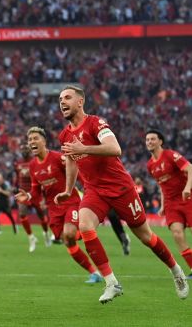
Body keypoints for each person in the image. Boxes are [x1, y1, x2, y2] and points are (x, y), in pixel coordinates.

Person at [55, 85, 188, 303]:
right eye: (60, 99)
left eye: (67, 97)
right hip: (94, 190)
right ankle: (111, 282)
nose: (62, 102)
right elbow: (71, 159)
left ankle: (176, 271)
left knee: (146, 237)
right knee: (85, 226)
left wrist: (84, 149)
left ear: (80, 102)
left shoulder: (96, 123)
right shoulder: (65, 134)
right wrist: (68, 190)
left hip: (121, 188)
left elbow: (115, 148)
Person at [15, 127, 102, 284]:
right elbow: (36, 191)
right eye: (30, 140)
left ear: (44, 141)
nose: (32, 142)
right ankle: (94, 273)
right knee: (68, 241)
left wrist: (89, 190)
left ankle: (87, 227)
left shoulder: (57, 158)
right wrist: (27, 196)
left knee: (69, 234)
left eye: (35, 138)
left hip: (70, 202)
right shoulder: (33, 166)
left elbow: (77, 173)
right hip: (53, 209)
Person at [146, 129, 192, 278]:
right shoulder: (150, 165)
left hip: (187, 199)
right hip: (172, 204)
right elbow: (161, 185)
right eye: (147, 140)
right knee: (177, 234)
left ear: (160, 141)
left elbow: (190, 168)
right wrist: (162, 205)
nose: (149, 142)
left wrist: (187, 187)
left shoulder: (171, 155)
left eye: (153, 139)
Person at [15, 144, 51, 251]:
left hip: (35, 193)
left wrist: (44, 195)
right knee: (22, 214)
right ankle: (31, 237)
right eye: (22, 149)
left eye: (26, 149)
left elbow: (41, 177)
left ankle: (45, 233)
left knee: (42, 217)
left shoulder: (35, 161)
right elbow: (17, 178)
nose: (24, 151)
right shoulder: (18, 163)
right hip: (23, 193)